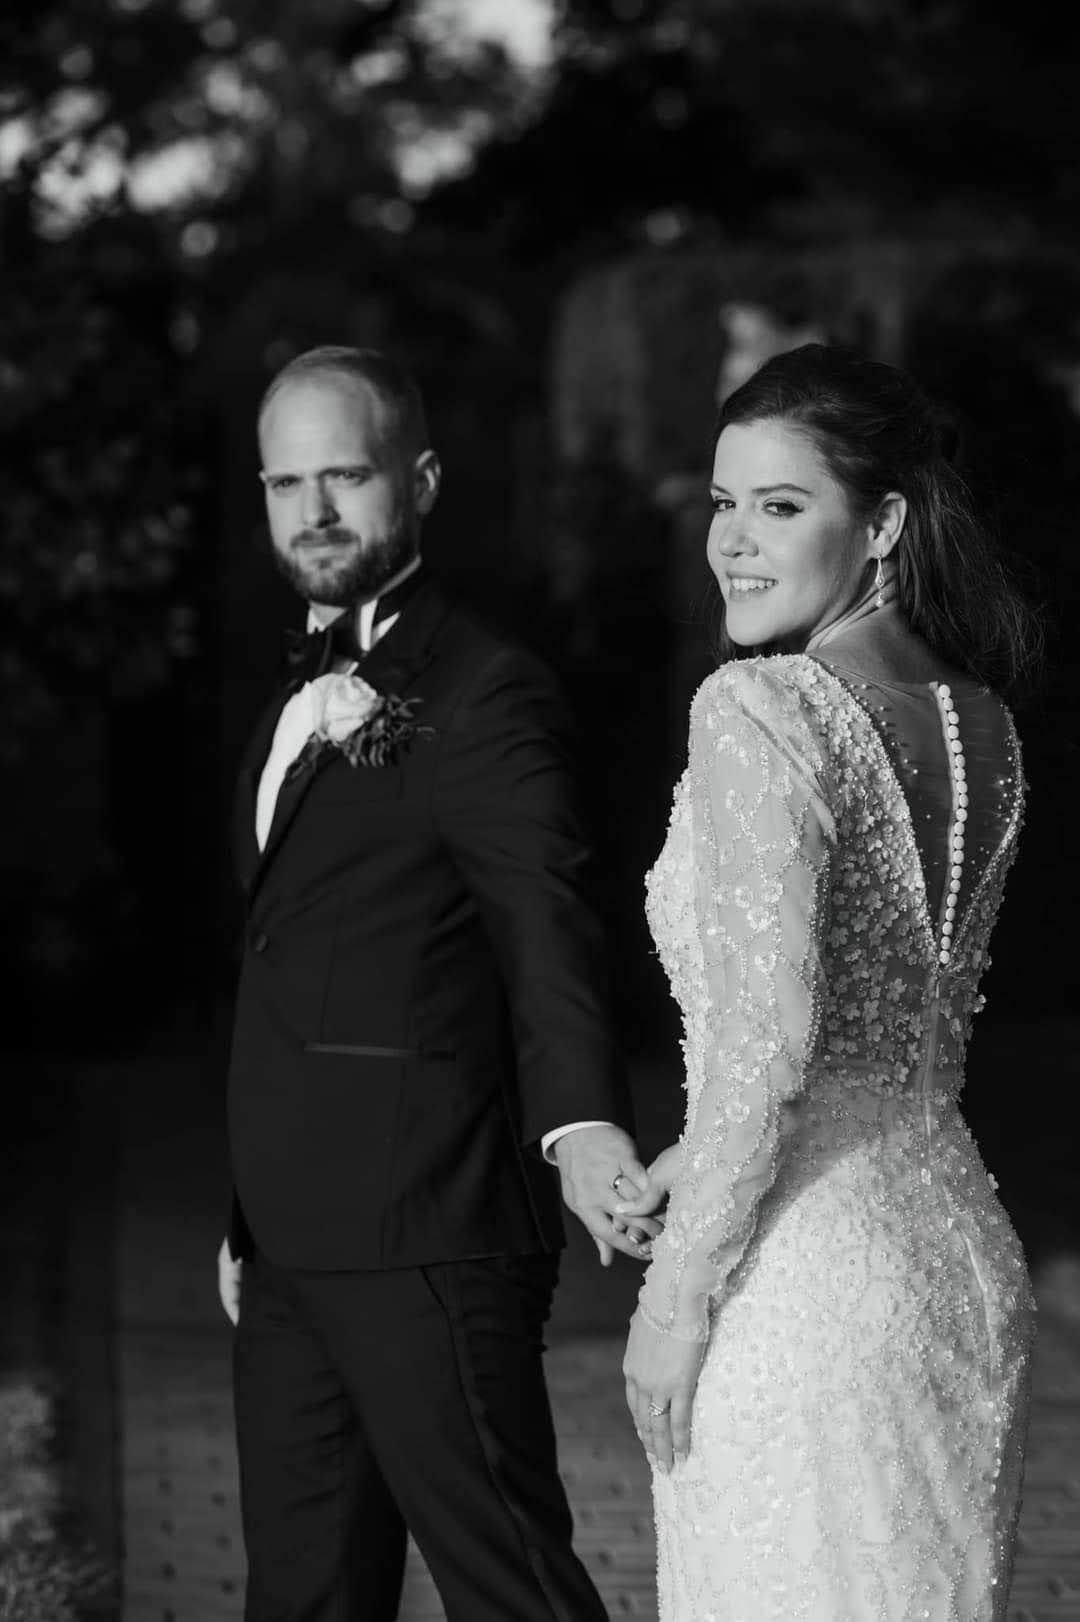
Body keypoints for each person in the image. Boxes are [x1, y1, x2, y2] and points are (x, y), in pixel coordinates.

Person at [215, 345, 658, 1622]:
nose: (311, 511)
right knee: (300, 1596)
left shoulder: (484, 685)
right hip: (292, 1238)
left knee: (509, 1583)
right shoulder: (292, 687)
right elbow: (290, 957)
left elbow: (546, 919)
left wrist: (580, 1125)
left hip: (430, 1225)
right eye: (284, 480)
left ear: (418, 480)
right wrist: (249, 1207)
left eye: (342, 474)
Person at [616, 342, 1040, 1619]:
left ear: (885, 521)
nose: (734, 543)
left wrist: (674, 1303)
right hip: (956, 1255)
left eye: (781, 506)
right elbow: (880, 1029)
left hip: (801, 1298)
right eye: (722, 503)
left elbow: (770, 1048)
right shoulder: (982, 722)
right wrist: (690, 1155)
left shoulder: (760, 706)